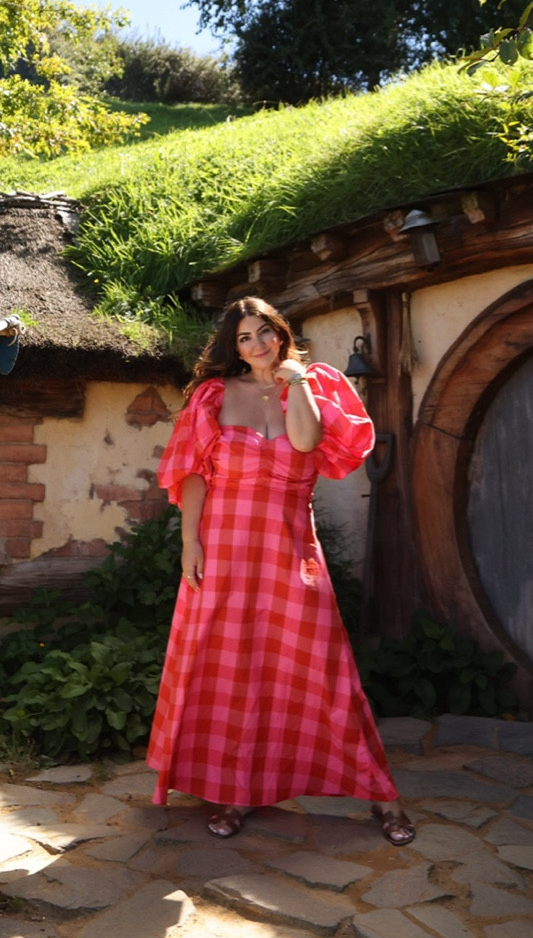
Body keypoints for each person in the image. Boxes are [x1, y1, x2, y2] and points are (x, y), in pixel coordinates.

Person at [147, 295, 415, 845]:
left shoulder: (316, 384)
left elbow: (307, 441)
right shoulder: (214, 395)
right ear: (234, 346)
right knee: (230, 671)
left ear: (281, 332)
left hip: (291, 551)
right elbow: (193, 473)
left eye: (264, 332)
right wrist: (190, 542)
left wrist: (297, 382)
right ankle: (233, 794)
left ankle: (381, 795)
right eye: (244, 338)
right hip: (223, 546)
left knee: (323, 669)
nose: (257, 345)